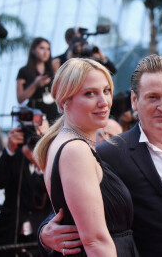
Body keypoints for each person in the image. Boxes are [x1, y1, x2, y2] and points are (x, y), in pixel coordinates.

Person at [40, 55, 162, 257]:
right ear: (135, 101)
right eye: (153, 97)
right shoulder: (110, 153)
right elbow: (81, 205)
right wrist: (45, 232)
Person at [34, 58, 138, 256]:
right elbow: (95, 241)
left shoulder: (66, 142)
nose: (104, 102)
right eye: (90, 93)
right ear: (64, 101)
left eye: (106, 91)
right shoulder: (76, 151)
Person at [0, 127, 52, 257]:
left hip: (40, 235)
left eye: (41, 136)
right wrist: (9, 150)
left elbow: (54, 194)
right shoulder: (15, 156)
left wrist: (39, 162)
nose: (36, 140)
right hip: (9, 232)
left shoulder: (52, 159)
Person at [17, 37, 59, 124]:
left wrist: (56, 72)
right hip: (34, 113)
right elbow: (20, 98)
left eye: (48, 49)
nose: (45, 52)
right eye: (41, 48)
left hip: (53, 112)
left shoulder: (52, 69)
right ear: (33, 50)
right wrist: (35, 85)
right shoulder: (24, 71)